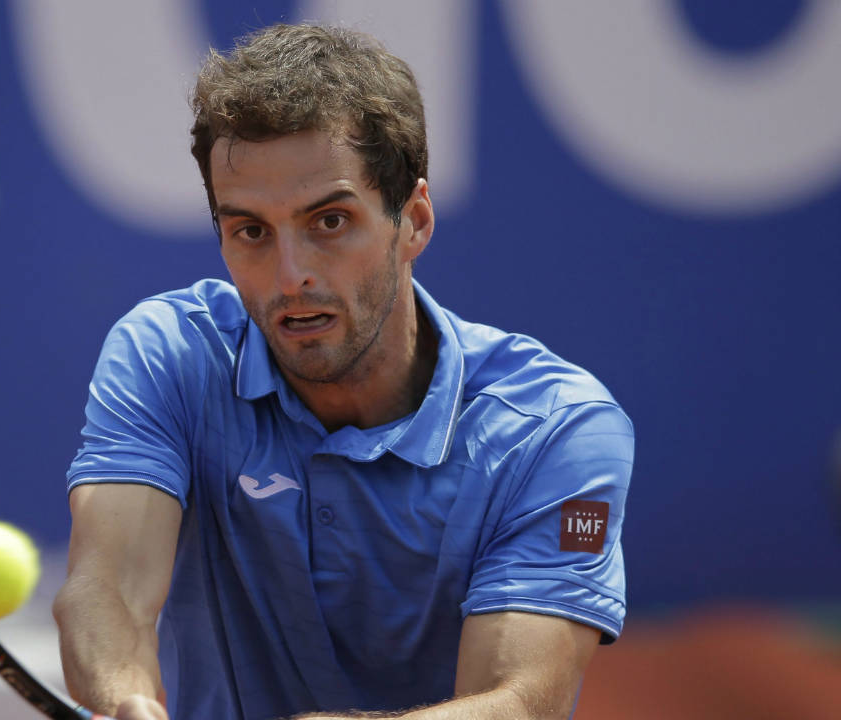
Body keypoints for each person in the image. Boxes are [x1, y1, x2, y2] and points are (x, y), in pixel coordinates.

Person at [53, 22, 633, 720]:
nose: (290, 276)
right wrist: (126, 699)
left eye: (328, 222)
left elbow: (518, 705)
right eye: (250, 232)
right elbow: (105, 587)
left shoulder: (558, 430)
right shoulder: (170, 354)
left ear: (413, 220)